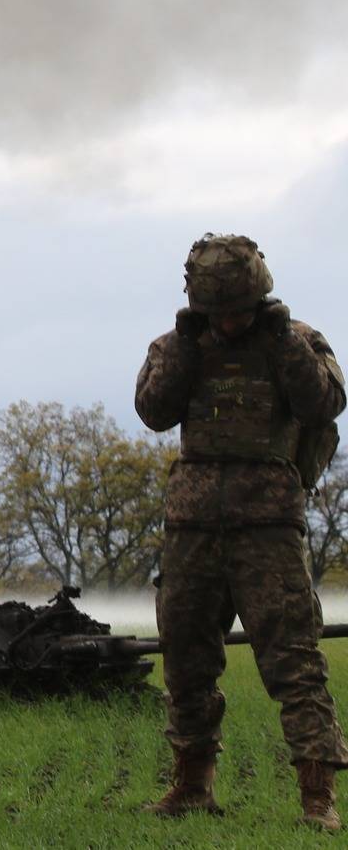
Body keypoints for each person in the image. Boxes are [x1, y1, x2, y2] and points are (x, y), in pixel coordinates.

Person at [135, 234, 348, 828]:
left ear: (260, 299)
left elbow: (323, 405)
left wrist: (281, 341)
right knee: (185, 658)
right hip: (192, 529)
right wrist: (185, 342)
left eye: (238, 312)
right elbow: (153, 411)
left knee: (294, 662)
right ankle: (192, 786)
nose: (228, 324)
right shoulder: (178, 345)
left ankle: (317, 798)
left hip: (269, 530)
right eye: (215, 313)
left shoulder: (296, 341)